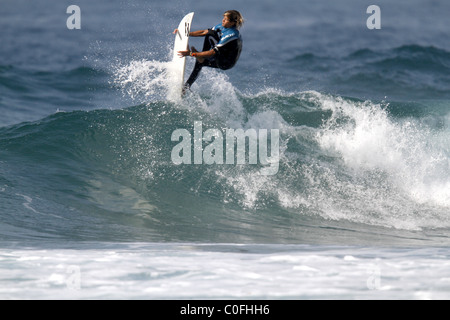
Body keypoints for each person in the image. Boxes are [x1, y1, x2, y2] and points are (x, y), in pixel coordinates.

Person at [173, 10, 243, 93]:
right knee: (200, 62)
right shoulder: (222, 26)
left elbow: (213, 52)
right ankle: (185, 87)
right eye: (223, 18)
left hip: (225, 63)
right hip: (219, 57)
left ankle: (200, 57)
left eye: (226, 19)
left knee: (210, 35)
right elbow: (204, 32)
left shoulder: (232, 34)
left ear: (232, 23)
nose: (223, 20)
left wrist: (191, 54)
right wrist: (187, 34)